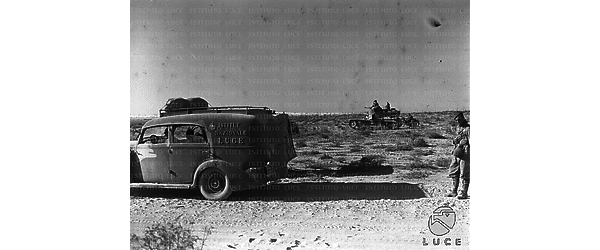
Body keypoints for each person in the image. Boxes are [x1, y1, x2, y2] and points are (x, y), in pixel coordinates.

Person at [446, 112, 470, 199]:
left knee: (465, 173)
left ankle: (464, 192)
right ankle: (454, 191)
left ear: (463, 119)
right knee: (454, 170)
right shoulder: (458, 128)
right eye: (456, 120)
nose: (458, 121)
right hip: (457, 152)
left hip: (466, 153)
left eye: (459, 119)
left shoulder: (468, 129)